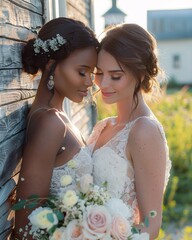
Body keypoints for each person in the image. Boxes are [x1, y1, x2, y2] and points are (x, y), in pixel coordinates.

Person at [13, 17, 99, 239]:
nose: (89, 82)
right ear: (51, 66)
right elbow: (26, 223)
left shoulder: (60, 117)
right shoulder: (50, 122)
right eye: (82, 72)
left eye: (92, 73)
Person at [88, 23, 171, 239]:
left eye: (115, 76)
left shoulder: (144, 131)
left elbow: (150, 226)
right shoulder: (103, 126)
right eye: (99, 73)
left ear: (140, 74)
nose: (103, 83)